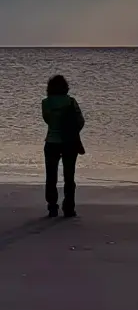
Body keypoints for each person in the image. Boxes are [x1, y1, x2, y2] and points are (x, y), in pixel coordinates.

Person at [42, 75, 85, 218]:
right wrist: (71, 131)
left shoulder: (46, 103)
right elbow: (80, 122)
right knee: (69, 176)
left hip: (51, 141)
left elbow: (47, 120)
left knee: (51, 176)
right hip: (69, 142)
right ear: (65, 87)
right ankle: (69, 208)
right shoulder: (71, 102)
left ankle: (52, 207)